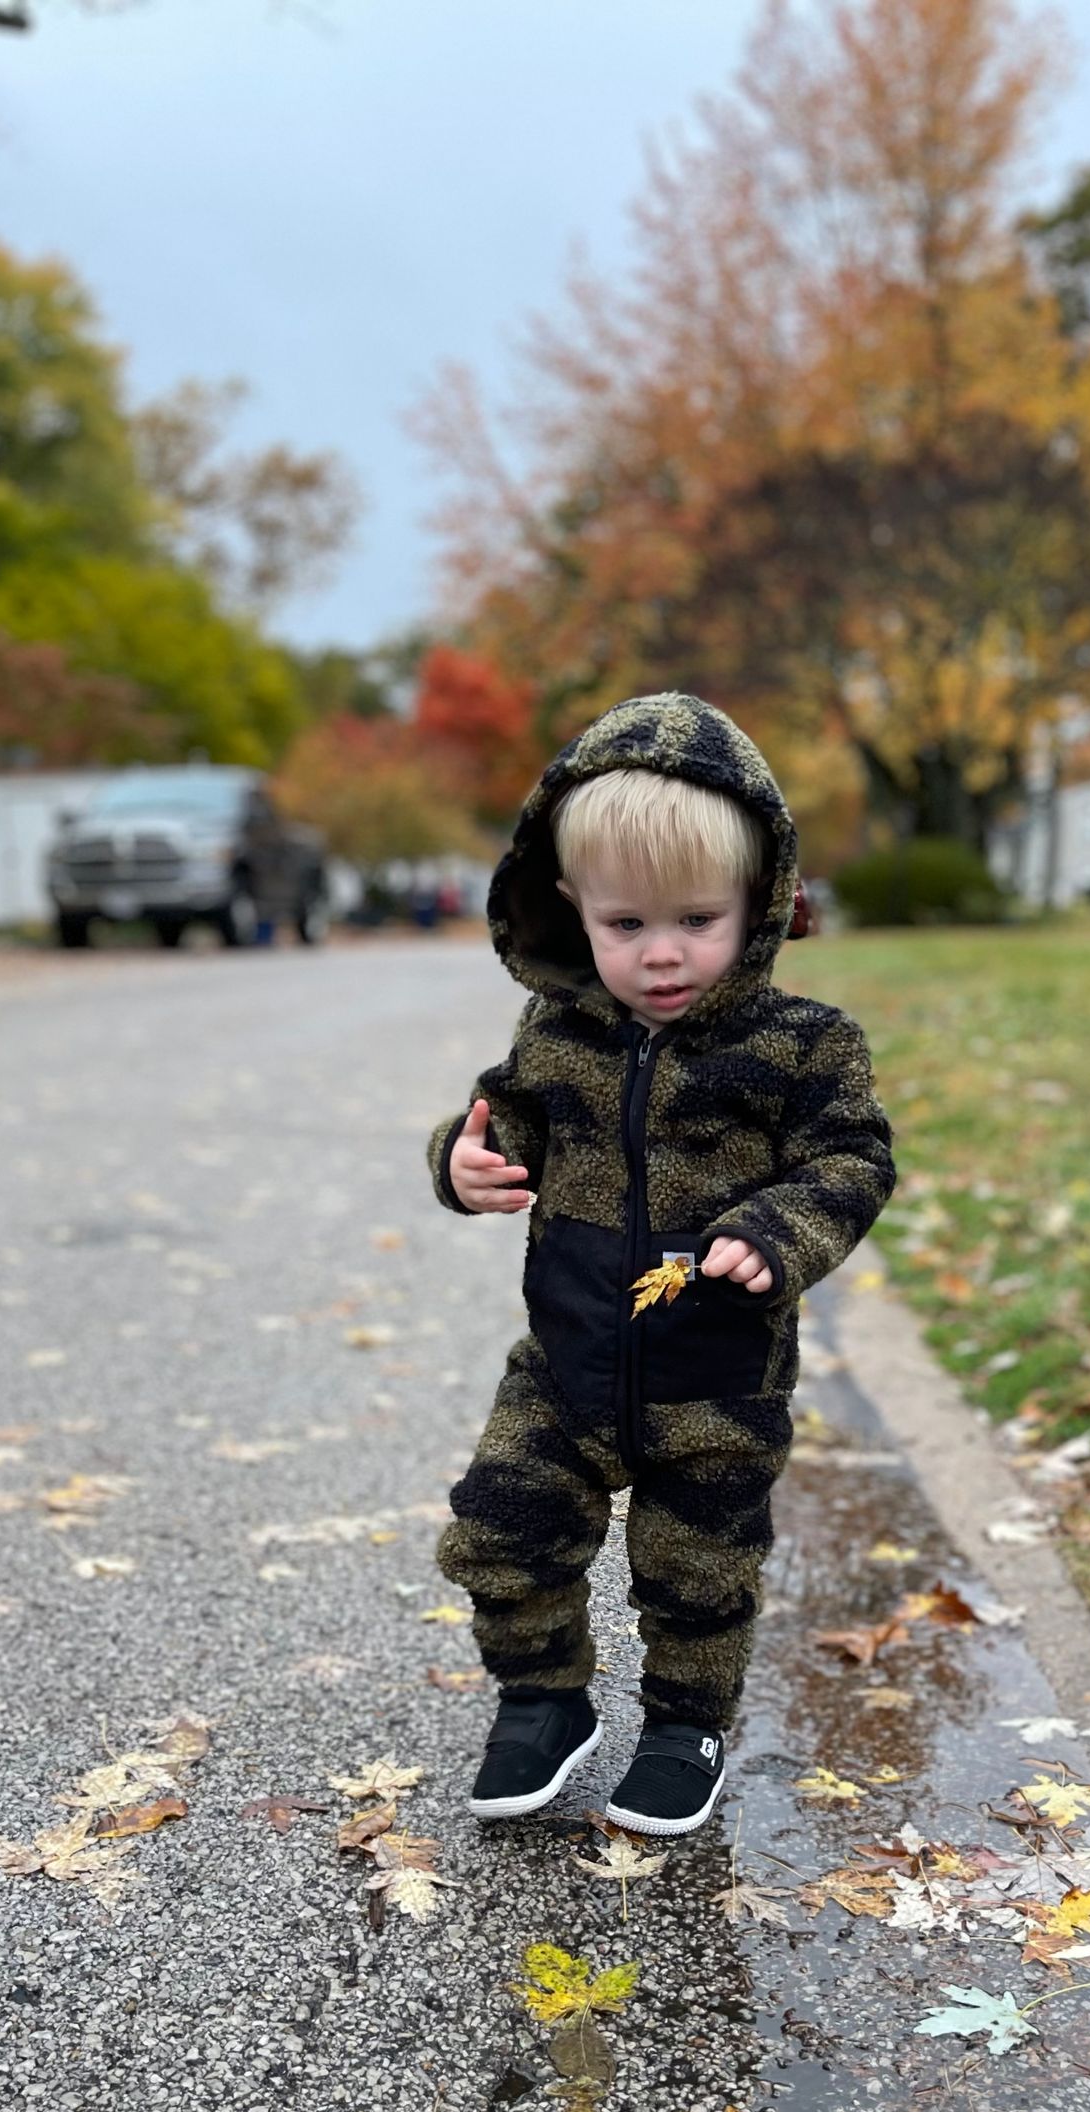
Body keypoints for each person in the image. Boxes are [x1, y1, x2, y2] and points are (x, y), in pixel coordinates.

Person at [428, 692, 895, 1836]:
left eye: (697, 918)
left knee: (696, 1568)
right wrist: (462, 1162)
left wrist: (777, 1231)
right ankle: (543, 1700)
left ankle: (687, 1725)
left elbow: (851, 1160)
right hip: (567, 1364)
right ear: (570, 909)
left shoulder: (800, 1047)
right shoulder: (559, 1038)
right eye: (625, 923)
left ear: (760, 901)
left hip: (715, 1377)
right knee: (501, 1526)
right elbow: (500, 1118)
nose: (663, 953)